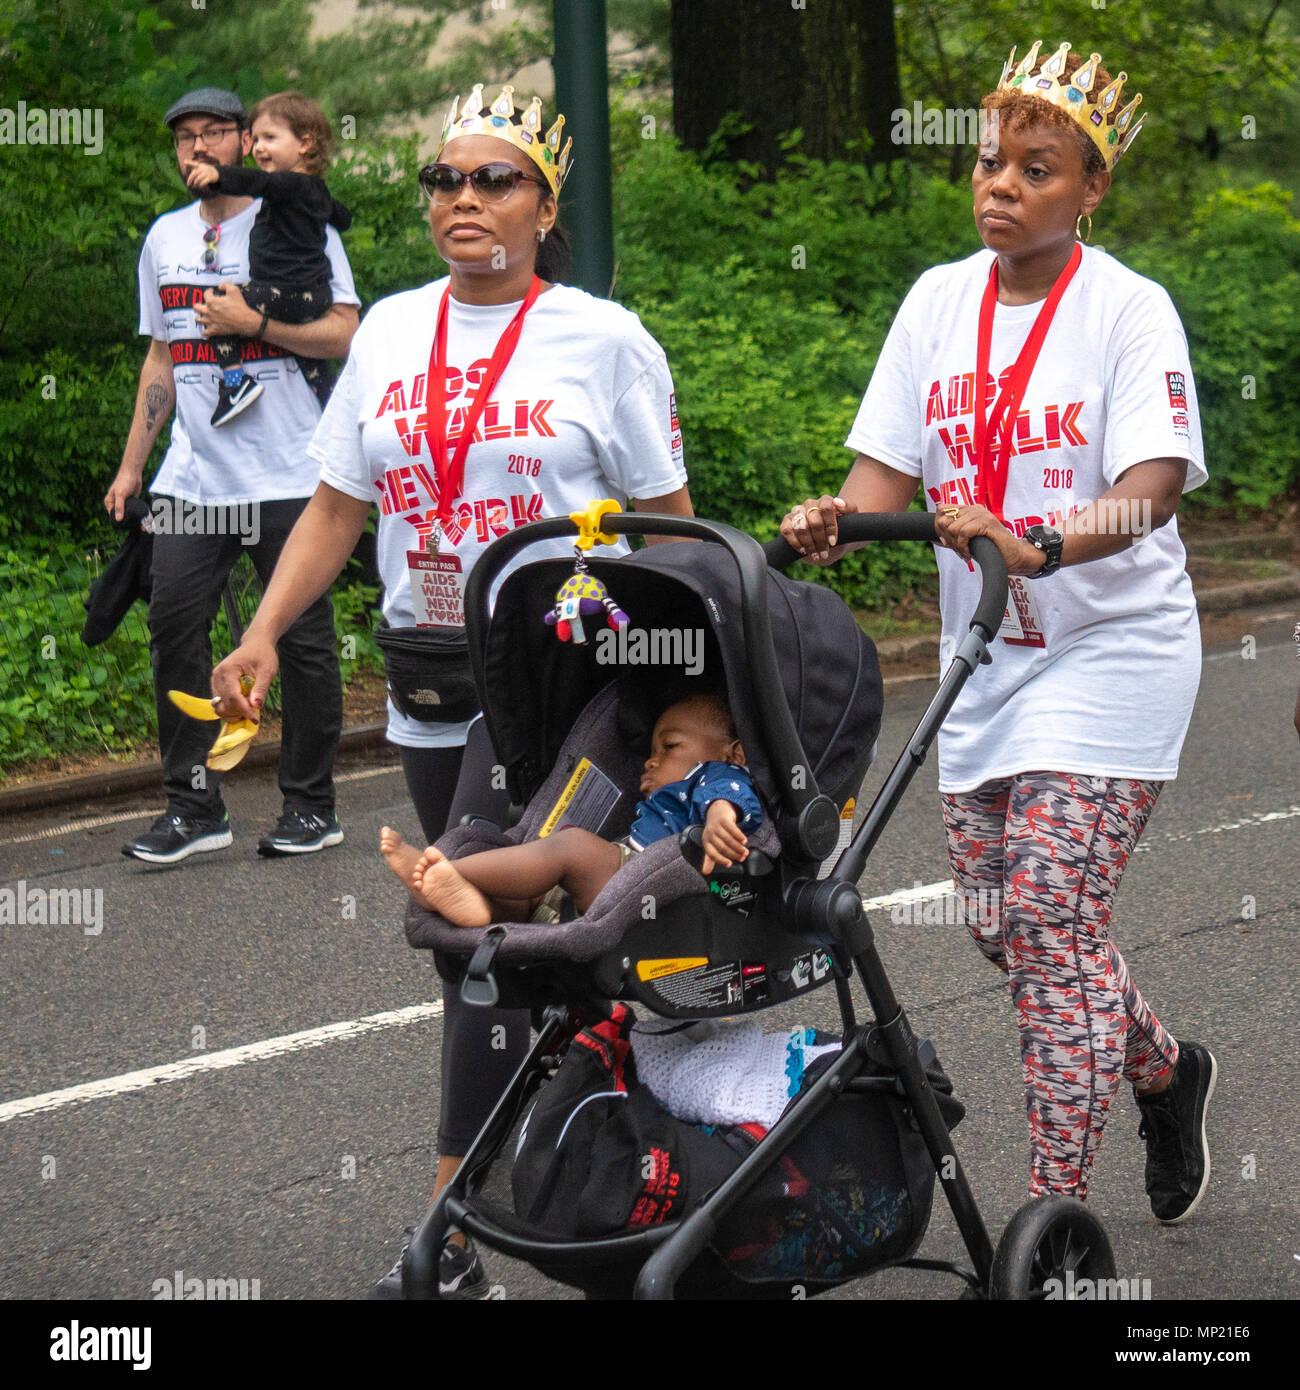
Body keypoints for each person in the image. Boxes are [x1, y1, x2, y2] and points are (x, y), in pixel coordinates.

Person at [210, 83, 692, 1296]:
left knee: (468, 929)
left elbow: (672, 531)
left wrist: (696, 694)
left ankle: (446, 1236)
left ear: (543, 204)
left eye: (494, 181)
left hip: (572, 682)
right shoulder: (388, 331)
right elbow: (337, 504)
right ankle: (619, 1150)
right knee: (519, 946)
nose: (463, 199)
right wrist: (266, 630)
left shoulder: (602, 336)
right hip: (429, 678)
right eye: (444, 180)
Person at [782, 41, 1217, 1223]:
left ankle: (1048, 1218)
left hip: (1113, 647)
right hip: (984, 658)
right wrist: (834, 519)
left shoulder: (1127, 308)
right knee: (1007, 933)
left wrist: (1038, 543)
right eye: (989, 162)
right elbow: (881, 478)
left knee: (1042, 918)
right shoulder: (935, 301)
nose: (1002, 185)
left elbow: (1151, 485)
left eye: (1036, 168)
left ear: (1088, 189)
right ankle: (1164, 1070)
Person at [108, 86, 359, 865]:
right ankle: (193, 805)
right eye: (183, 139)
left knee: (304, 641)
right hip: (195, 477)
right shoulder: (164, 238)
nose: (197, 149)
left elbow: (347, 332)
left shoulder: (293, 213)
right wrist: (132, 465)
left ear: (246, 140)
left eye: (212, 133)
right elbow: (162, 355)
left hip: (290, 469)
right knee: (174, 628)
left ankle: (311, 806)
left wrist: (258, 325)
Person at [379, 693, 761, 923]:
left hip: (655, 884)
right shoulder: (674, 793)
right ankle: (477, 907)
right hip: (624, 877)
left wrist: (719, 816)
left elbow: (731, 794)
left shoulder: (716, 774)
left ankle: (452, 873)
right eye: (651, 753)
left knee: (572, 847)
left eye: (670, 747)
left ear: (734, 753)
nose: (651, 761)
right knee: (530, 890)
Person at [185, 91, 351, 427]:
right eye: (256, 139)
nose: (259, 148)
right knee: (309, 361)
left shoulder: (291, 185)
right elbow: (343, 217)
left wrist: (220, 177)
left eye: (270, 138)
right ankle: (334, 407)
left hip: (286, 291)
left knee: (218, 303)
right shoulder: (314, 192)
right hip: (311, 296)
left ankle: (235, 384)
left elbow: (259, 182)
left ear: (305, 144)